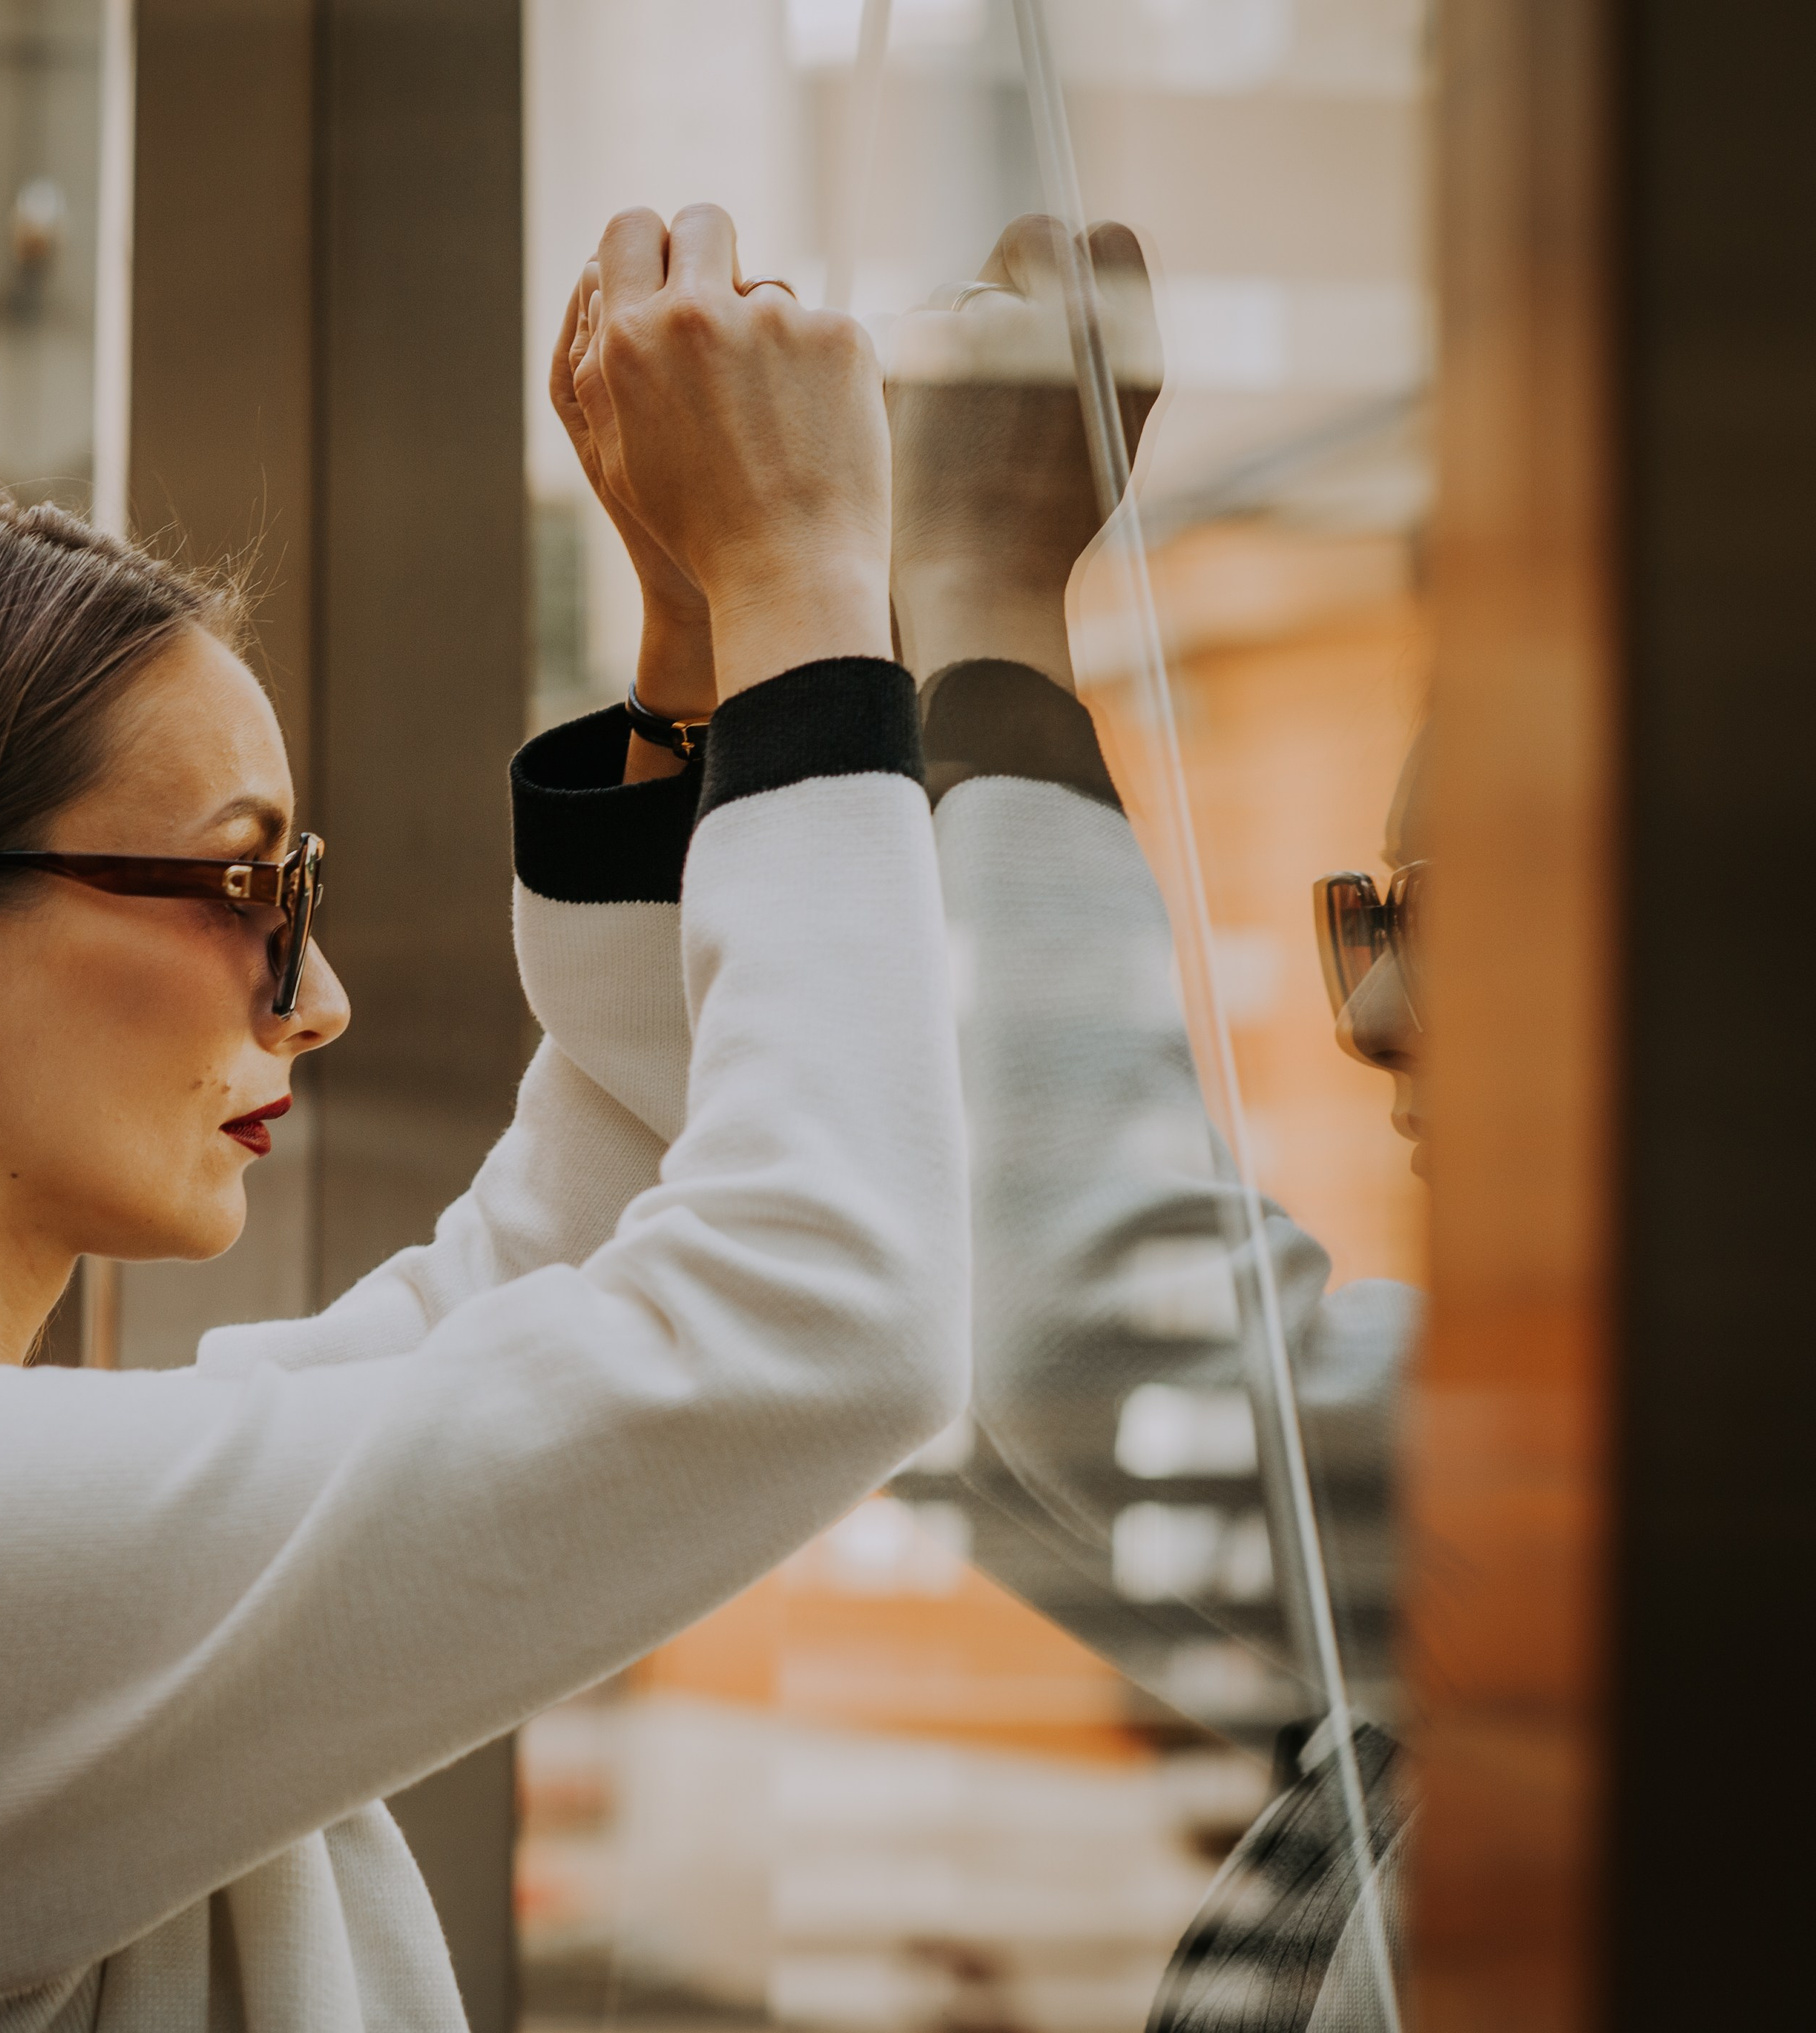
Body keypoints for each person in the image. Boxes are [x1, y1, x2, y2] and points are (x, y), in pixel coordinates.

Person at [0, 203, 970, 2033]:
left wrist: (699, 663)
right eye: (242, 886)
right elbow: (818, 1323)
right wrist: (809, 588)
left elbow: (572, 1265)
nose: (313, 997)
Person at [557, 215, 1415, 2032]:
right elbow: (955, 1375)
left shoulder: (1668, 1483)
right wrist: (774, 626)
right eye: (1373, 910)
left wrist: (890, 592)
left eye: (1459, 907)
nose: (1383, 1016)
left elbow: (1088, 1344)